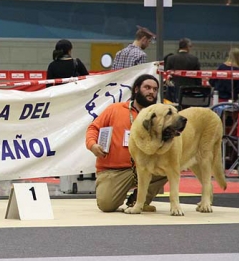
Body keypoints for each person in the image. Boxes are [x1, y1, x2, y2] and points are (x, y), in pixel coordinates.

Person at [85, 74, 168, 212]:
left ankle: (139, 200)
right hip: (114, 171)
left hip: (145, 167)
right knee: (106, 206)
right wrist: (92, 145)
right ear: (136, 89)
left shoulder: (159, 116)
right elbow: (93, 128)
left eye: (155, 89)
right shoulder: (114, 109)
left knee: (169, 166)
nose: (151, 92)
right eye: (147, 88)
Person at [165, 38, 202, 103]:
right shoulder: (194, 59)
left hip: (174, 91)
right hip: (190, 92)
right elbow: (198, 77)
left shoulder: (170, 58)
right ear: (188, 47)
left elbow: (166, 75)